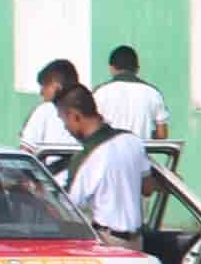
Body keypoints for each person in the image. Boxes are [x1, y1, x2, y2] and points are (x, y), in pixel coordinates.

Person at [59, 86, 150, 245]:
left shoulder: (86, 158)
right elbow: (147, 187)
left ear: (75, 116)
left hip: (108, 243)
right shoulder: (132, 141)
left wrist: (38, 194)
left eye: (64, 121)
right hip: (137, 242)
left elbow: (67, 209)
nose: (66, 128)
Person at [95, 45, 169, 143]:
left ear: (111, 68)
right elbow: (162, 134)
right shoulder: (153, 93)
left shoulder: (99, 93)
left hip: (109, 156)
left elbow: (92, 131)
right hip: (138, 155)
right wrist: (146, 134)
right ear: (137, 69)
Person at [22, 59, 81, 153]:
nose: (41, 92)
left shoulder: (44, 110)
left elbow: (26, 150)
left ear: (56, 85)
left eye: (44, 86)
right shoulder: (93, 108)